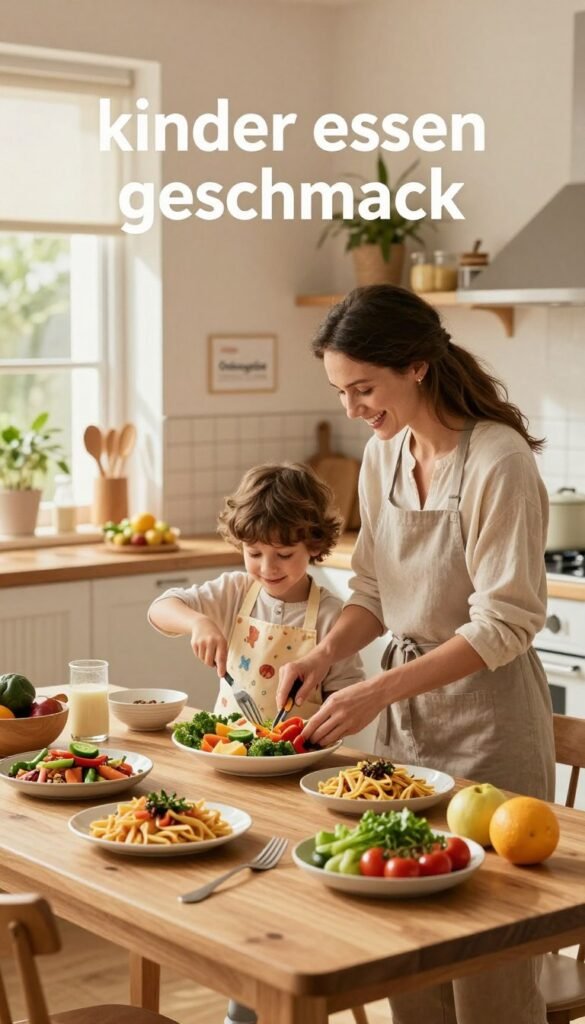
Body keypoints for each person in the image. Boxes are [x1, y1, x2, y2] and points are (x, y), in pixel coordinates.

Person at [276, 285, 555, 1024]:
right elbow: (370, 590)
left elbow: (503, 624)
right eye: (341, 391)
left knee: (490, 965)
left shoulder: (496, 461)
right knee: (407, 945)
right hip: (408, 737)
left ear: (416, 367)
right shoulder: (382, 453)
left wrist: (376, 692)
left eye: (363, 388)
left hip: (491, 732)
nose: (352, 408)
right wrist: (323, 652)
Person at [148, 462, 363, 720]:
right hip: (228, 749)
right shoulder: (234, 591)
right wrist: (198, 623)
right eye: (254, 553)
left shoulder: (332, 615)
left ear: (314, 545)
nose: (268, 567)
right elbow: (160, 608)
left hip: (302, 755)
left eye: (284, 554)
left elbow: (346, 695)